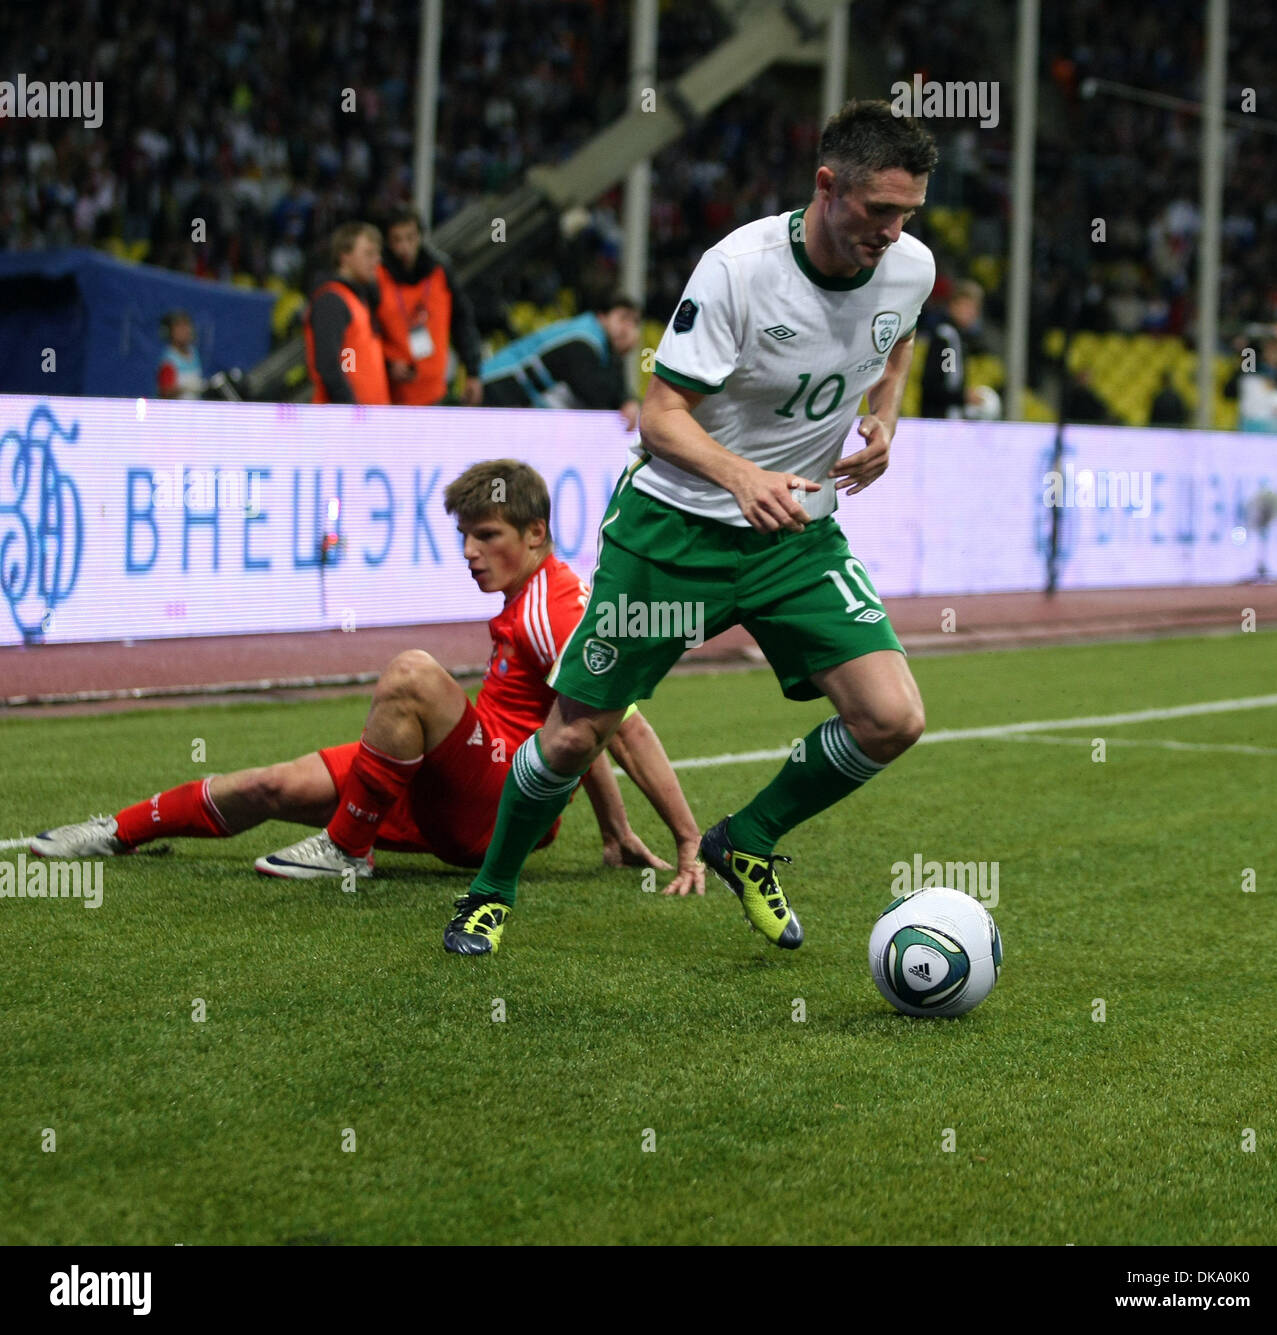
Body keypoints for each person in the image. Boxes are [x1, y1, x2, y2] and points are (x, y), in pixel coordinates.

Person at [445, 99, 936, 957]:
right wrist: (741, 476)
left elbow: (897, 345)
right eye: (878, 210)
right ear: (827, 186)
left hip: (794, 536)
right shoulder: (738, 269)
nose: (893, 232)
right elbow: (659, 416)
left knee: (893, 716)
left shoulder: (910, 266)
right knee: (574, 735)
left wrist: (883, 421)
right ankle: (490, 893)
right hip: (673, 531)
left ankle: (745, 839)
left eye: (909, 214)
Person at [29, 462, 705, 942]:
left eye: (487, 534)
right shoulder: (526, 597)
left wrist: (687, 839)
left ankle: (348, 847)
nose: (470, 551)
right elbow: (576, 728)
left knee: (412, 674)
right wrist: (615, 834)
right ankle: (114, 832)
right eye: (464, 536)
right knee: (269, 785)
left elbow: (620, 725)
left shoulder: (554, 603)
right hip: (459, 785)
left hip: (491, 798)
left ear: (535, 532)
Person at [481, 295, 642, 429]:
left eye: (634, 323)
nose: (627, 328)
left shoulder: (595, 342)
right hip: (494, 387)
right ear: (602, 317)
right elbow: (594, 392)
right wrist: (625, 400)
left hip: (505, 398)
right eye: (623, 318)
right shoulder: (582, 339)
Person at [377, 208, 484, 406]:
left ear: (420, 236)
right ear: (387, 242)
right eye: (397, 240)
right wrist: (387, 363)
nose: (405, 247)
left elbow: (462, 320)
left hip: (437, 390)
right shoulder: (376, 278)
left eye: (410, 238)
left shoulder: (440, 270)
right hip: (391, 398)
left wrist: (472, 372)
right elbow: (363, 334)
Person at [304, 222, 391, 405]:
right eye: (368, 253)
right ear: (344, 256)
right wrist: (349, 410)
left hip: (365, 418)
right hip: (345, 422)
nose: (376, 260)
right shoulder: (332, 300)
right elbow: (329, 364)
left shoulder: (357, 300)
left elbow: (349, 359)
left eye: (377, 253)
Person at [919, 279, 982, 418]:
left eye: (974, 308)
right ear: (953, 306)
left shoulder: (959, 339)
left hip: (947, 420)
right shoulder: (946, 337)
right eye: (966, 306)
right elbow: (934, 384)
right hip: (940, 420)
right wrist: (963, 397)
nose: (971, 313)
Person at [156, 310, 204, 399]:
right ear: (169, 332)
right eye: (179, 327)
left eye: (187, 325)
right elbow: (165, 393)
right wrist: (185, 388)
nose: (185, 330)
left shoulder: (194, 353)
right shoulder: (169, 360)